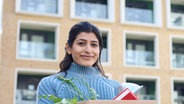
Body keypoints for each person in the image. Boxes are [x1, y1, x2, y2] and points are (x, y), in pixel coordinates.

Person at [36, 21, 122, 103]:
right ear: (69, 48)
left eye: (94, 45)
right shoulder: (50, 84)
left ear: (99, 50)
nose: (88, 50)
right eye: (81, 43)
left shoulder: (115, 87)